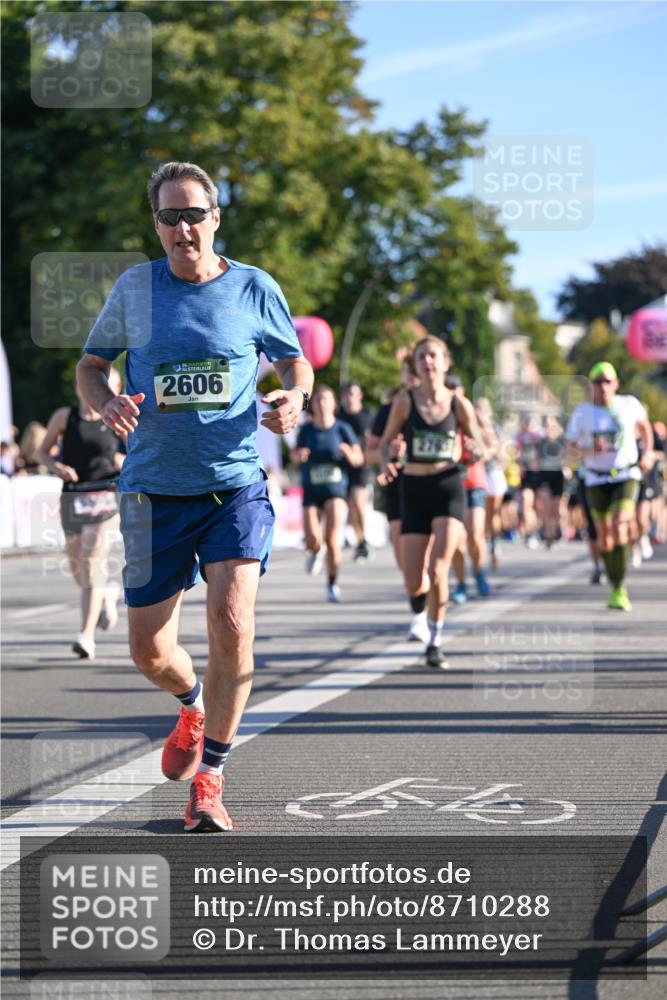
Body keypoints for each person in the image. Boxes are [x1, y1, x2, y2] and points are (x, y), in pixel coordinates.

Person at [76, 161, 313, 833]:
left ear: (215, 218)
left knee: (232, 623)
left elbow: (293, 359)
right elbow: (91, 365)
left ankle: (210, 778)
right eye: (169, 217)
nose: (183, 228)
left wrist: (294, 395)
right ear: (157, 225)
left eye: (193, 215)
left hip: (233, 486)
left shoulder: (253, 287)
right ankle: (191, 704)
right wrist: (105, 402)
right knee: (149, 652)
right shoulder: (136, 288)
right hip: (153, 491)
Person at [380, 336, 484, 668]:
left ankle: (436, 640)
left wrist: (476, 450)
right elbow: (384, 443)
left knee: (438, 568)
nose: (428, 361)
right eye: (422, 356)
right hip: (413, 487)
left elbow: (479, 442)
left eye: (433, 356)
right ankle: (420, 609)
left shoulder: (459, 404)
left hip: (448, 486)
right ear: (415, 364)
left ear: (445, 362)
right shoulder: (404, 402)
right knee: (414, 580)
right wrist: (386, 461)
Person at [37, 371, 125, 658]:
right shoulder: (65, 417)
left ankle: (86, 636)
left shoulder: (116, 419)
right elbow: (42, 453)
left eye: (108, 385)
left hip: (106, 496)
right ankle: (106, 593)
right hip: (73, 497)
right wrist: (56, 466)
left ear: (115, 390)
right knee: (79, 570)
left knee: (91, 560)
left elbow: (139, 452)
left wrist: (123, 461)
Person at [565, 362, 653, 611]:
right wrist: (588, 449)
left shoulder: (629, 404)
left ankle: (620, 587)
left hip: (625, 475)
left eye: (607, 381)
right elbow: (569, 448)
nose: (602, 386)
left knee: (620, 524)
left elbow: (645, 427)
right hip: (596, 478)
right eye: (597, 382)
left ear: (616, 384)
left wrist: (647, 453)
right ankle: (615, 585)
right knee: (604, 538)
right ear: (591, 385)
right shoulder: (583, 412)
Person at [367, 358, 429, 642]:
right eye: (408, 371)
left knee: (427, 558)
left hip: (429, 484)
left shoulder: (437, 405)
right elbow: (371, 450)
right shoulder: (389, 408)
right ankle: (419, 602)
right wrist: (387, 456)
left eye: (416, 371)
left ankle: (422, 618)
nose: (413, 377)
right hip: (397, 485)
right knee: (405, 558)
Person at [292, 385, 364, 602]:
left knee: (332, 538)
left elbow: (359, 459)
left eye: (326, 399)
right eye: (318, 400)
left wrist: (349, 454)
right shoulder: (306, 430)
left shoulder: (342, 429)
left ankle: (332, 583)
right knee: (312, 538)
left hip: (336, 490)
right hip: (312, 491)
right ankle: (315, 550)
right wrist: (299, 456)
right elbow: (294, 457)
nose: (322, 404)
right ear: (313, 405)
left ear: (334, 404)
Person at [338, 381, 375, 561]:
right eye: (346, 394)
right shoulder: (339, 416)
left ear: (360, 396)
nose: (349, 398)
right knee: (351, 505)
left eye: (352, 394)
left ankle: (363, 539)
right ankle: (360, 541)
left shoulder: (369, 415)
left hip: (362, 466)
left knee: (358, 502)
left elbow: (377, 438)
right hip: (343, 466)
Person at [475, 397, 508, 571]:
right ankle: (482, 546)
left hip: (492, 473)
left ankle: (494, 542)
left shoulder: (494, 428)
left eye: (484, 409)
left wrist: (489, 451)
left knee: (493, 513)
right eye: (478, 408)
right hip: (476, 474)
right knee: (480, 516)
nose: (480, 412)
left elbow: (502, 454)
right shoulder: (471, 426)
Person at [534, 414, 567, 548]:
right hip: (544, 476)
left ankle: (557, 530)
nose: (548, 427)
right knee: (546, 508)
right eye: (546, 424)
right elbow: (536, 460)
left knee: (557, 509)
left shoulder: (561, 441)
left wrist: (566, 468)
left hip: (558, 476)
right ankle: (549, 536)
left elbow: (567, 457)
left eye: (550, 424)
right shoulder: (540, 442)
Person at [515, 413, 541, 548]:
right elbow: (515, 455)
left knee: (537, 507)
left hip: (540, 475)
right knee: (526, 503)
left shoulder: (540, 436)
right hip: (526, 475)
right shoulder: (519, 437)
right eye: (527, 422)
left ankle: (535, 532)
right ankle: (530, 534)